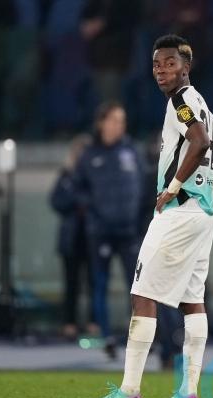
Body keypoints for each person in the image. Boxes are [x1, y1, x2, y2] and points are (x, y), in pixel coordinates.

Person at [85, 34, 213, 398]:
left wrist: (174, 186)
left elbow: (199, 140)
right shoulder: (201, 104)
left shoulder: (181, 102)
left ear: (186, 67)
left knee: (142, 294)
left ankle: (129, 391)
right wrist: (211, 190)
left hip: (179, 213)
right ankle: (189, 392)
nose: (161, 70)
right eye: (156, 64)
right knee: (192, 301)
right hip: (201, 214)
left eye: (170, 63)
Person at [73, 102, 144, 358]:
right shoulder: (89, 154)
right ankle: (107, 337)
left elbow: (146, 185)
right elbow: (77, 188)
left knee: (136, 288)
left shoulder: (131, 151)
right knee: (100, 285)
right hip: (100, 232)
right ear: (101, 123)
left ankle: (137, 338)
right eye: (113, 120)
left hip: (129, 231)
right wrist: (91, 210)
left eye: (121, 121)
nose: (118, 125)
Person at [49, 135, 96, 340]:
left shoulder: (97, 175)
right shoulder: (66, 175)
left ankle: (94, 322)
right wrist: (78, 201)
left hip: (93, 236)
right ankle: (69, 323)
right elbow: (56, 201)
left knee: (94, 283)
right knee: (71, 284)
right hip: (72, 237)